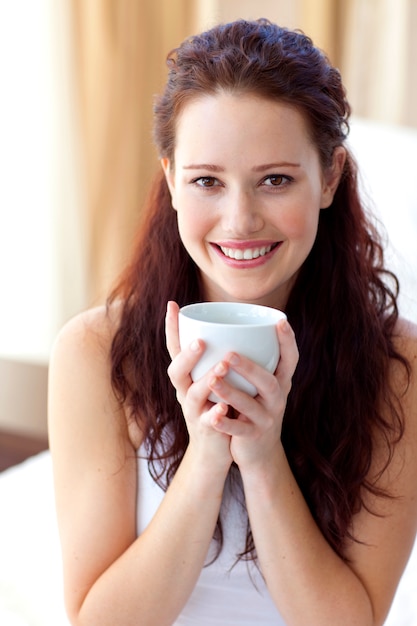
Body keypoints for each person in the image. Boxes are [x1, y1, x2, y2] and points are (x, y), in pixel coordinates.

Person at [48, 18, 417, 626]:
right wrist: (207, 456)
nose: (240, 220)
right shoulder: (93, 352)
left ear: (329, 176)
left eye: (275, 180)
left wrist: (263, 454)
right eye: (206, 182)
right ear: (170, 179)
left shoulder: (395, 365)